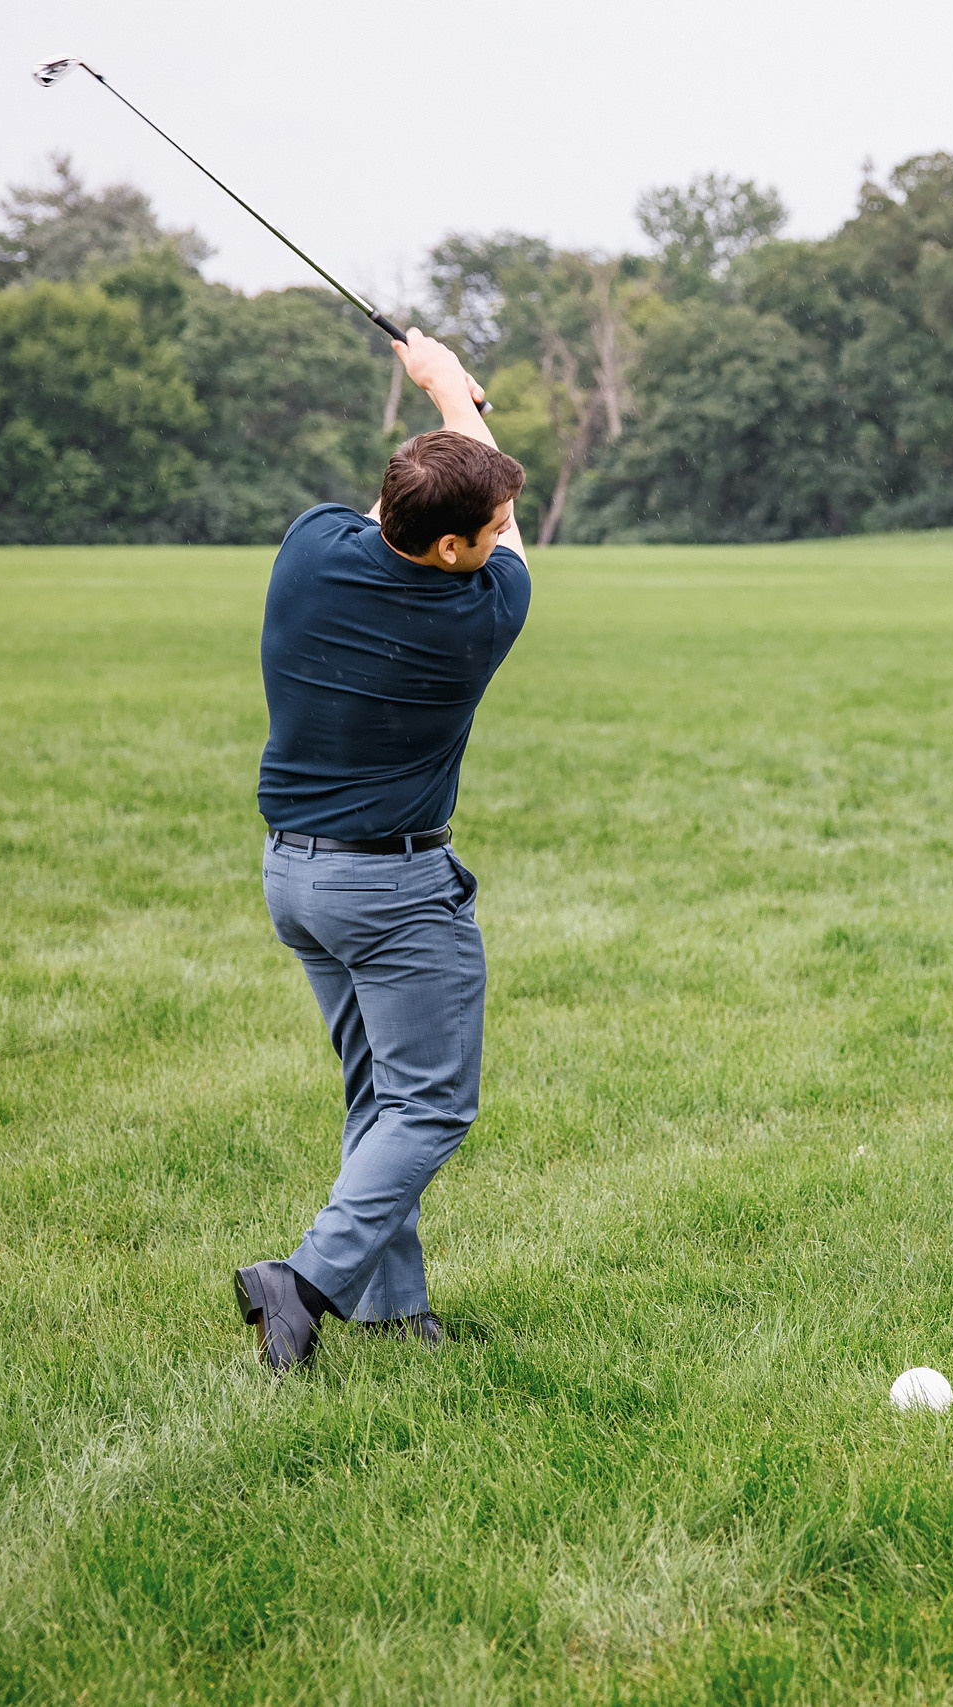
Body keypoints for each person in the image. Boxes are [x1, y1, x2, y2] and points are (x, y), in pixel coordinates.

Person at [232, 329, 531, 1372]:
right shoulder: (482, 614)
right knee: (431, 1106)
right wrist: (452, 388)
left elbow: (401, 507)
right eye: (492, 525)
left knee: (380, 1096)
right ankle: (304, 1282)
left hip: (294, 878)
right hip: (393, 890)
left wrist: (443, 403)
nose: (504, 533)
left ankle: (396, 1308)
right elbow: (483, 528)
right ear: (451, 549)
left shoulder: (310, 549)